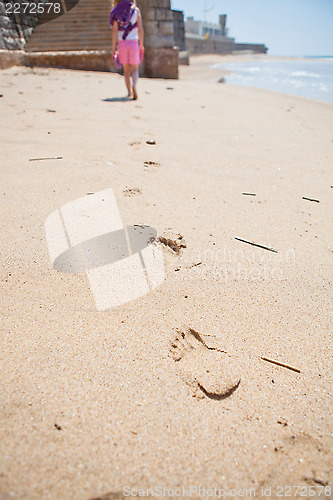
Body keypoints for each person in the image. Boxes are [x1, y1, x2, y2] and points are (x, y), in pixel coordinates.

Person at [110, 0, 144, 100]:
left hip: (122, 43)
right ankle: (134, 85)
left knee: (126, 70)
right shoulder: (136, 10)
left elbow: (115, 31)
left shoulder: (116, 11)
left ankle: (129, 92)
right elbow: (140, 29)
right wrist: (141, 44)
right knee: (135, 69)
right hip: (133, 42)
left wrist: (113, 48)